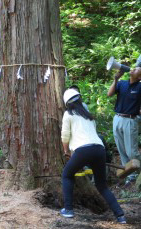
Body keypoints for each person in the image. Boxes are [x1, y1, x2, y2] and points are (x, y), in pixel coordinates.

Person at [60, 88, 126, 224]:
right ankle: (120, 215)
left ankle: (68, 210)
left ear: (67, 103)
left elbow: (65, 136)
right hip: (99, 149)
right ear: (79, 99)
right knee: (102, 185)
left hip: (82, 151)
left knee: (67, 175)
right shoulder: (88, 115)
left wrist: (66, 151)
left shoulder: (68, 114)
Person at [107, 66, 141, 183]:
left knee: (131, 151)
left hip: (130, 120)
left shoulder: (140, 87)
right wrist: (116, 79)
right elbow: (109, 94)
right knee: (121, 150)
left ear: (140, 76)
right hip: (117, 118)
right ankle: (130, 176)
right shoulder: (121, 83)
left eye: (137, 69)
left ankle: (138, 172)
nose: (133, 69)